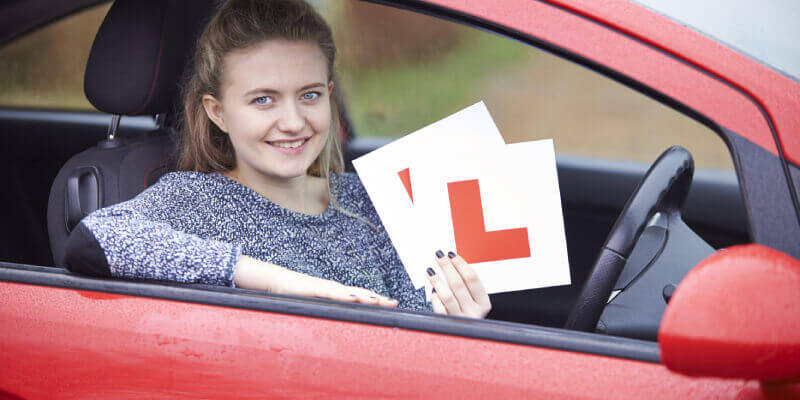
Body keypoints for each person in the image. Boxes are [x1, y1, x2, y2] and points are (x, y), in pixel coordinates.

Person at [65, 0, 491, 318]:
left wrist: (461, 324)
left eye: (309, 95)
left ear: (329, 93)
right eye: (263, 100)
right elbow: (95, 239)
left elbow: (411, 332)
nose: (293, 122)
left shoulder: (368, 197)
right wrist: (281, 282)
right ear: (218, 112)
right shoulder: (197, 200)